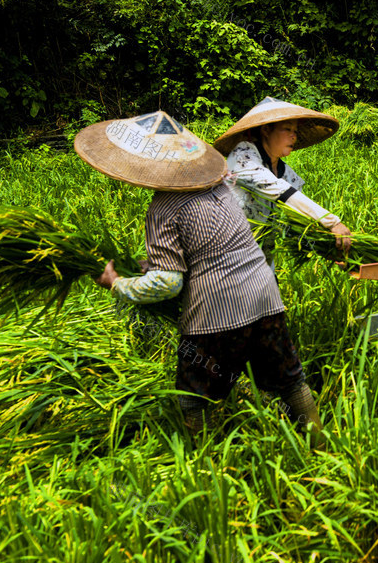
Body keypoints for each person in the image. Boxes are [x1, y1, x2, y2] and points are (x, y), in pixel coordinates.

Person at [74, 110, 324, 447]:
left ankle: (206, 464)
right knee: (290, 381)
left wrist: (117, 283)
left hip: (216, 313)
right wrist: (152, 264)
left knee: (194, 397)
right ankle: (320, 446)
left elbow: (168, 283)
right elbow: (210, 246)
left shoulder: (164, 207)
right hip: (266, 296)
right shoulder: (220, 186)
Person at [212, 97, 352, 266]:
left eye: (295, 131)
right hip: (223, 255)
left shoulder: (289, 176)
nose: (294, 136)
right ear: (266, 130)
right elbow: (279, 190)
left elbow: (298, 223)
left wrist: (332, 248)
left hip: (260, 260)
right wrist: (332, 222)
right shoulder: (243, 157)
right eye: (287, 129)